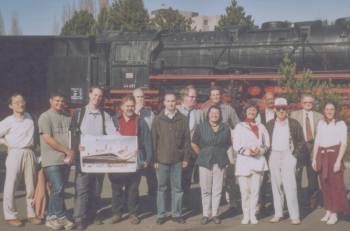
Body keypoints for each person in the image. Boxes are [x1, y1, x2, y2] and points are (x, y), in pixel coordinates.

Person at [72, 86, 116, 230]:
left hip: (100, 159)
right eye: (95, 95)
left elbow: (113, 134)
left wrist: (126, 143)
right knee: (82, 189)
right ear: (89, 95)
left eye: (100, 96)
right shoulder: (79, 113)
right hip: (83, 159)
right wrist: (76, 146)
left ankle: (92, 215)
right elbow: (72, 135)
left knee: (97, 190)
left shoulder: (105, 115)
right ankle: (79, 219)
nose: (97, 98)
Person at [108, 95, 152, 225]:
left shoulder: (140, 121)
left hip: (135, 159)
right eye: (127, 106)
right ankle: (117, 213)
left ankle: (133, 213)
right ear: (121, 107)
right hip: (117, 160)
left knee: (132, 188)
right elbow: (106, 139)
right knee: (116, 188)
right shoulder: (114, 120)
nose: (130, 108)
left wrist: (147, 159)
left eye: (132, 106)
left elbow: (147, 141)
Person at [0, 94, 42, 227]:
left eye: (22, 101)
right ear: (11, 106)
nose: (20, 104)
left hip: (29, 153)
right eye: (16, 102)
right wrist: (7, 143)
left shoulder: (30, 118)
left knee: (31, 186)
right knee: (11, 185)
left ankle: (31, 214)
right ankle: (10, 215)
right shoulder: (7, 121)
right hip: (15, 153)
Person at [152, 93, 191, 225]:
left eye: (173, 101)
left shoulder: (183, 119)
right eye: (168, 101)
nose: (170, 104)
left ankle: (176, 213)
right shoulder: (158, 119)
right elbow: (154, 141)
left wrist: (186, 158)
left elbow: (187, 141)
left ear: (177, 103)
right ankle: (161, 214)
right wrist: (155, 160)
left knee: (178, 188)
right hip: (162, 160)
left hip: (177, 161)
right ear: (164, 103)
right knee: (161, 188)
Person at [38, 92, 74, 230]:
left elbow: (72, 136)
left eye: (62, 100)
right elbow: (48, 139)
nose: (59, 103)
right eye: (56, 100)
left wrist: (72, 153)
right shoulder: (45, 117)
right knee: (58, 187)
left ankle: (53, 217)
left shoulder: (67, 116)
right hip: (51, 159)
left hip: (66, 159)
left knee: (59, 190)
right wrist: (66, 150)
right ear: (51, 100)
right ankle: (60, 216)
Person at [265, 98, 304, 225]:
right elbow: (265, 142)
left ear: (287, 109)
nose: (281, 111)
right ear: (274, 109)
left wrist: (294, 156)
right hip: (274, 155)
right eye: (278, 108)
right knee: (276, 186)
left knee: (290, 186)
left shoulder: (294, 123)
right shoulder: (270, 124)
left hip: (288, 155)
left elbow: (300, 141)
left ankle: (294, 215)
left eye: (283, 108)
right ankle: (278, 213)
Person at [191, 105, 232, 225]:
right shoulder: (201, 127)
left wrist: (229, 160)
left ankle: (215, 214)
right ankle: (205, 214)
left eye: (217, 113)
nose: (214, 115)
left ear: (220, 115)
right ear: (208, 114)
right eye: (212, 113)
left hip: (220, 161)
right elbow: (193, 143)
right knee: (205, 189)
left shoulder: (225, 127)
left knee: (217, 189)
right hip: (205, 161)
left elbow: (228, 144)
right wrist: (202, 153)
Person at [201, 86, 240, 208]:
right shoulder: (204, 109)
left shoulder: (228, 109)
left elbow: (237, 126)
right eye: (213, 95)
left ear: (221, 96)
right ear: (210, 97)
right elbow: (202, 128)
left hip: (226, 145)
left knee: (229, 173)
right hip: (211, 147)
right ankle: (215, 201)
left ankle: (232, 200)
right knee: (212, 174)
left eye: (217, 94)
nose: (216, 97)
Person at [312, 102, 350, 225]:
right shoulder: (321, 123)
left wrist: (338, 161)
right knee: (325, 185)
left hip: (334, 156)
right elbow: (317, 142)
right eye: (327, 109)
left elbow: (344, 143)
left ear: (335, 111)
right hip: (322, 156)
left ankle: (335, 212)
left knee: (336, 186)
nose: (329, 111)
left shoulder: (340, 124)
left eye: (331, 109)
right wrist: (314, 158)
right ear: (324, 110)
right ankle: (328, 209)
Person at [232, 102, 270, 225]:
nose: (252, 112)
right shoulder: (239, 126)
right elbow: (236, 145)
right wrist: (248, 152)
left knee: (255, 191)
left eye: (254, 110)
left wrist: (260, 150)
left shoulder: (261, 126)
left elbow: (267, 144)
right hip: (244, 162)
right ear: (245, 112)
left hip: (258, 161)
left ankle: (253, 214)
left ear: (256, 113)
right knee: (244, 191)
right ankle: (246, 215)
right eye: (249, 110)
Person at [290, 94, 323, 211]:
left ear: (313, 104)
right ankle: (298, 200)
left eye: (310, 102)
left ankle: (312, 201)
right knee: (296, 175)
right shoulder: (294, 115)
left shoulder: (319, 116)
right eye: (305, 102)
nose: (308, 104)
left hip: (313, 147)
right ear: (301, 103)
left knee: (312, 176)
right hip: (299, 147)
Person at [177, 85, 203, 209]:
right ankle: (175, 204)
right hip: (178, 150)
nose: (194, 99)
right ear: (184, 97)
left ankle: (185, 203)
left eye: (195, 97)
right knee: (177, 179)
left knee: (187, 179)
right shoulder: (176, 111)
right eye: (191, 97)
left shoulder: (199, 113)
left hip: (192, 150)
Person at [132, 88, 157, 199]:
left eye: (142, 96)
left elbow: (155, 132)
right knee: (134, 181)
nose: (141, 99)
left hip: (148, 151)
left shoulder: (150, 113)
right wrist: (136, 112)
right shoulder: (130, 112)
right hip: (135, 151)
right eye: (138, 97)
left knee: (152, 179)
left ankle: (152, 200)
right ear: (133, 99)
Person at [256, 91, 275, 215]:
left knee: (275, 178)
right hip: (263, 151)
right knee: (261, 179)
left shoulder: (279, 113)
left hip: (275, 150)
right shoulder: (259, 115)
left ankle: (275, 204)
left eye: (272, 99)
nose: (270, 102)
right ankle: (261, 204)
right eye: (267, 99)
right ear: (264, 101)